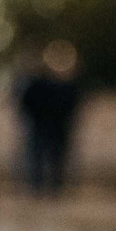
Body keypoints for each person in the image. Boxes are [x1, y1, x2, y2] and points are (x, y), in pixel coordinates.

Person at [13, 41, 85, 197]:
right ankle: (43, 186)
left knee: (48, 157)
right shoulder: (54, 85)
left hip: (49, 126)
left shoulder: (58, 86)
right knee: (45, 157)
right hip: (47, 125)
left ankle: (45, 186)